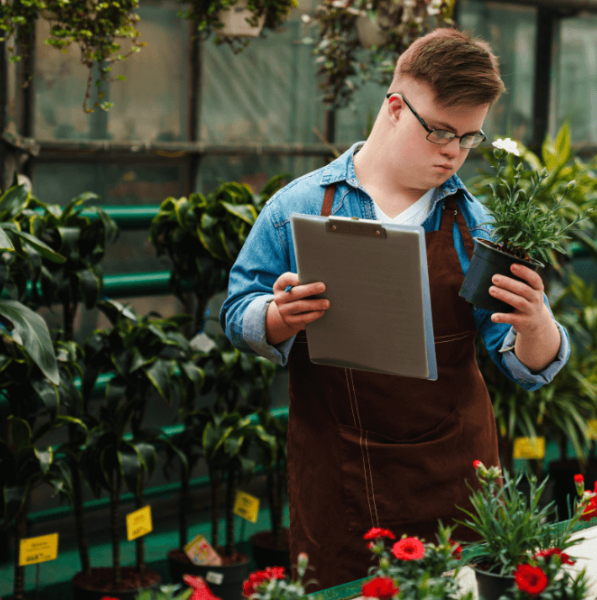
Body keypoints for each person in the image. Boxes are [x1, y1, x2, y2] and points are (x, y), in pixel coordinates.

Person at [219, 28, 570, 591]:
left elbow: (523, 365)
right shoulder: (299, 207)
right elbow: (238, 310)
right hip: (336, 476)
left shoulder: (478, 228)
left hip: (456, 478)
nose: (453, 152)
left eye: (469, 138)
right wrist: (276, 317)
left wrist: (538, 326)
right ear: (393, 108)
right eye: (439, 132)